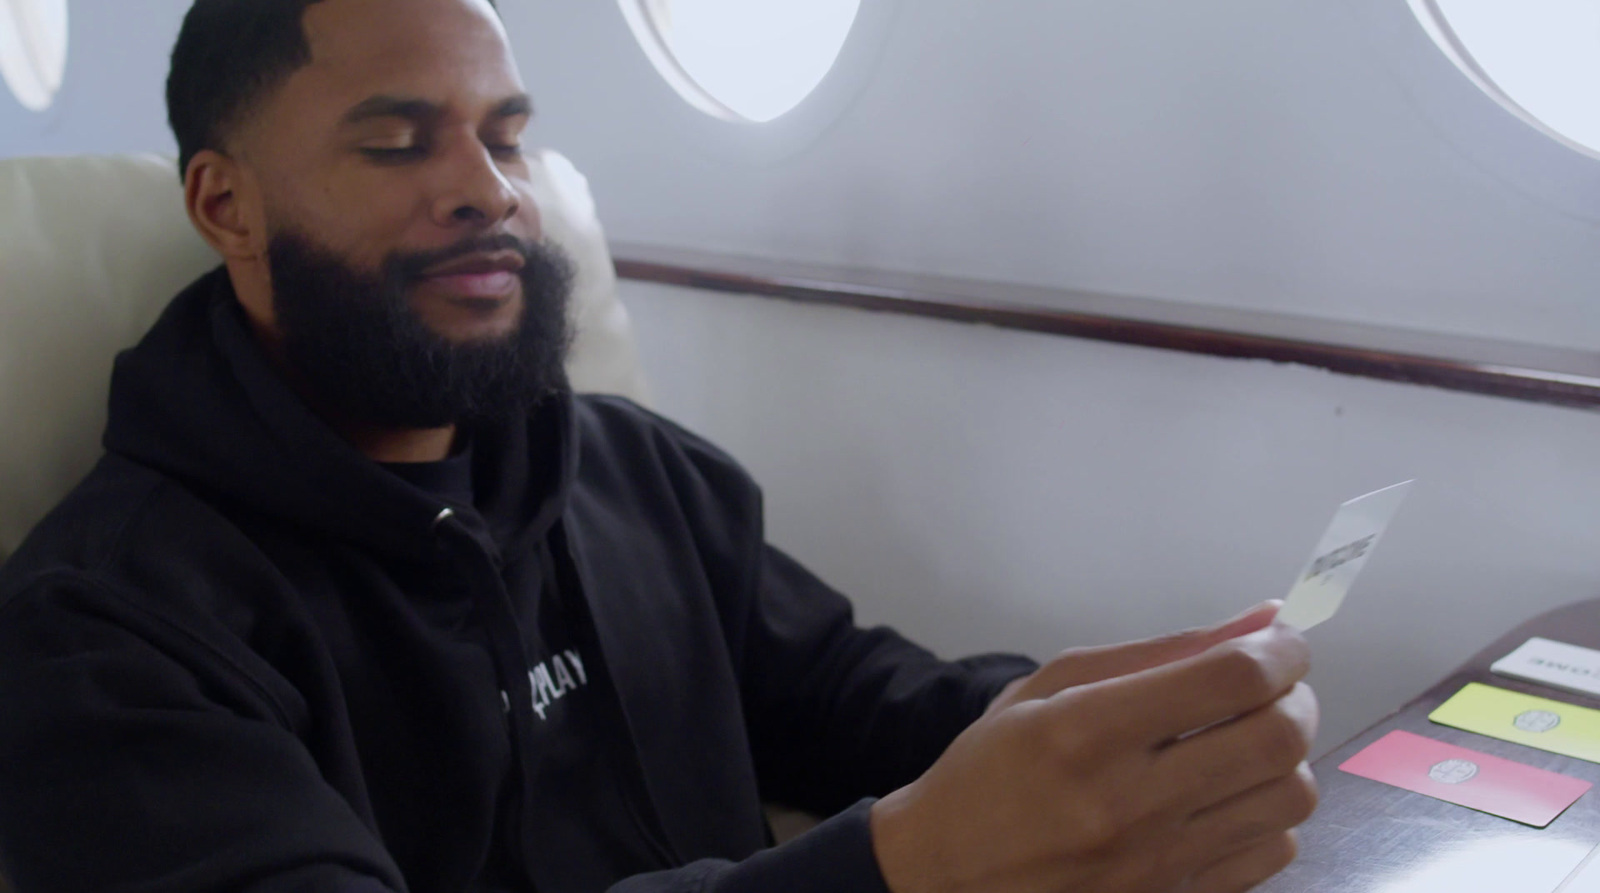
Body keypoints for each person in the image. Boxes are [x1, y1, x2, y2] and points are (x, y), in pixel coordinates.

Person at [0, 0, 1319, 890]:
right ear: (225, 204)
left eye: (505, 136)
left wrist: (1094, 731)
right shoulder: (103, 631)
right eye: (400, 142)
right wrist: (893, 862)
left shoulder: (631, 473)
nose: (491, 189)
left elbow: (858, 700)